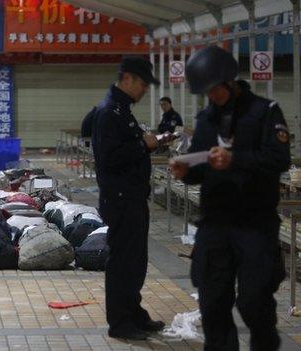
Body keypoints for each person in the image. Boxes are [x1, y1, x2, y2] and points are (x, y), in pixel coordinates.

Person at [169, 45, 290, 351]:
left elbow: (279, 160)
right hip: (215, 224)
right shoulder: (207, 118)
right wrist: (186, 170)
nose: (211, 97)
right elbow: (202, 168)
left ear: (229, 81)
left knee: (253, 300)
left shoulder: (264, 112)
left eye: (214, 90)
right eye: (206, 92)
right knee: (213, 300)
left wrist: (235, 160)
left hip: (255, 224)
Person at [91, 57, 165, 340]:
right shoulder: (111, 111)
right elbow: (109, 157)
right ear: (129, 79)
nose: (146, 90)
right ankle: (120, 322)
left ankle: (134, 313)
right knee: (123, 262)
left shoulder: (120, 109)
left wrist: (142, 144)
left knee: (135, 261)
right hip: (121, 199)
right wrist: (141, 144)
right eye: (144, 84)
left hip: (130, 197)